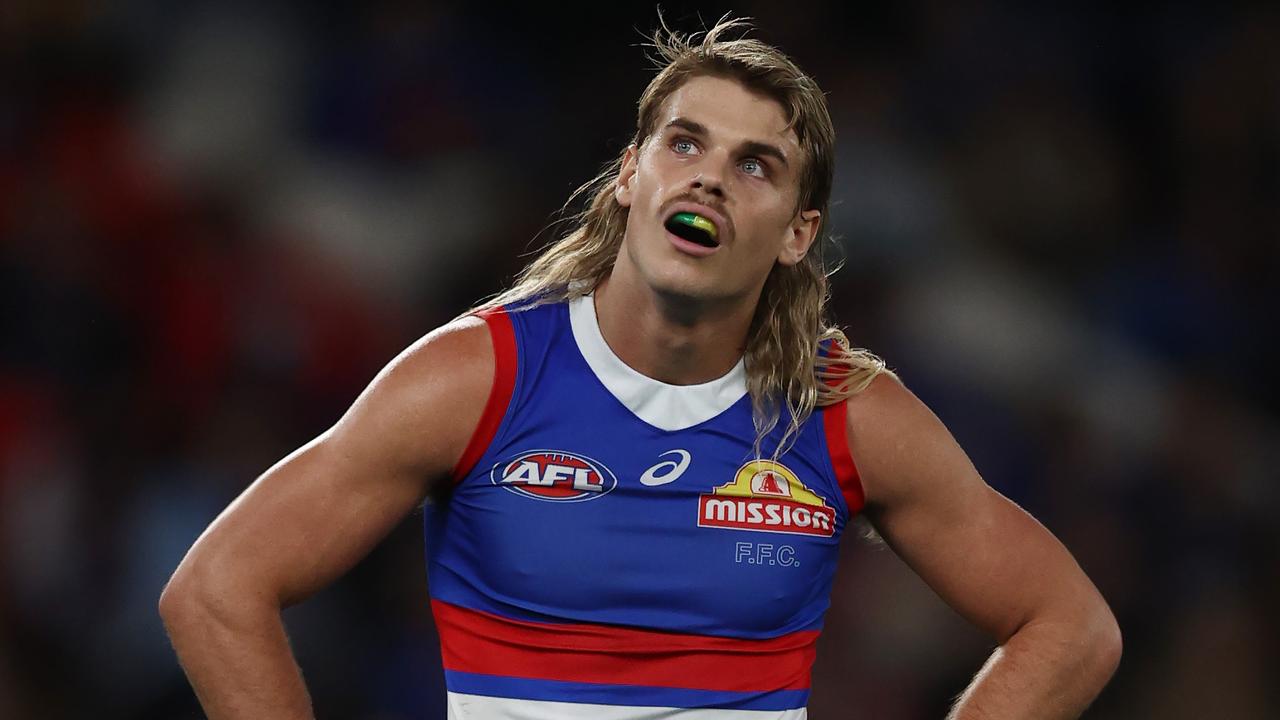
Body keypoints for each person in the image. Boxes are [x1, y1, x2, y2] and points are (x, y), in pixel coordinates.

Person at [159, 16, 1121, 720]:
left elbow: (1070, 627)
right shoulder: (479, 378)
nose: (708, 174)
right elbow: (215, 591)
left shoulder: (844, 415)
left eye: (756, 165)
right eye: (686, 142)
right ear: (631, 176)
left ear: (798, 233)